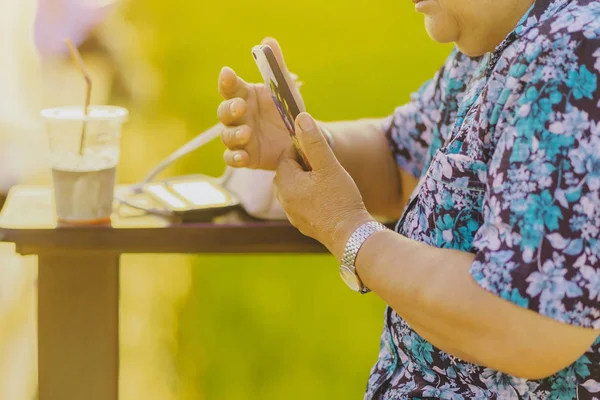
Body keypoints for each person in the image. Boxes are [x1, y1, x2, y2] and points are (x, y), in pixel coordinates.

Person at [217, 0, 600, 398]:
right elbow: (403, 164)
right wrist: (308, 144)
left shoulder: (575, 56)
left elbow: (529, 326)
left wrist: (350, 232)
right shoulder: (493, 42)